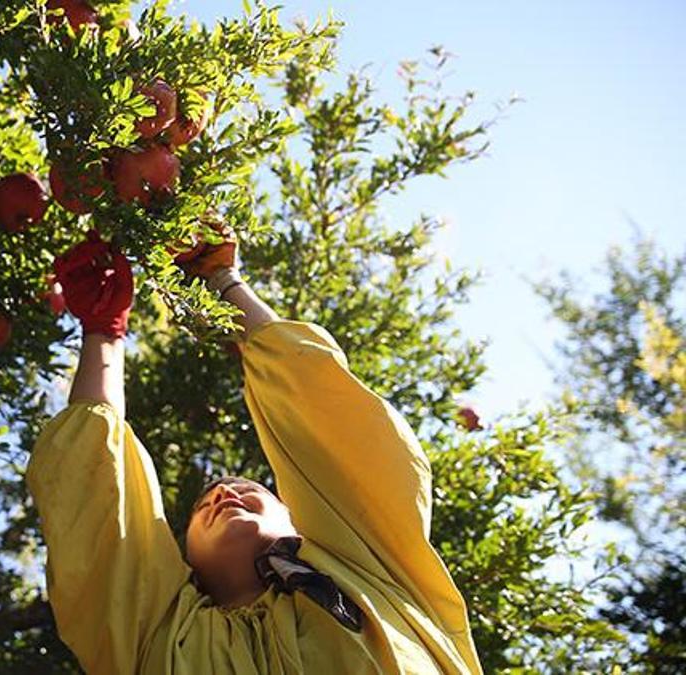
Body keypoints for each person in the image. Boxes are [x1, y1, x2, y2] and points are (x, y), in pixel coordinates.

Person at [26, 225, 483, 674]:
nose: (225, 492)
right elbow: (97, 496)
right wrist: (103, 332)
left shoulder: (373, 572)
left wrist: (222, 281)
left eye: (250, 490)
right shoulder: (155, 637)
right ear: (183, 560)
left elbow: (330, 414)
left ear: (297, 517)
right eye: (204, 505)